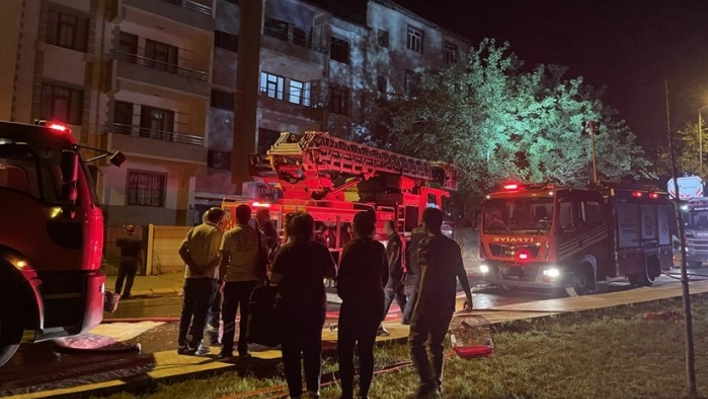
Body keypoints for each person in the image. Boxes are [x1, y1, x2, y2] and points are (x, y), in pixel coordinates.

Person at [408, 208, 474, 399]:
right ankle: (437, 384)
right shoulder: (452, 245)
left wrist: (419, 305)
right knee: (436, 345)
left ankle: (428, 382)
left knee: (415, 341)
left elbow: (425, 277)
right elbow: (461, 272)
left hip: (429, 302)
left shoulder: (426, 244)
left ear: (425, 223)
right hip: (447, 303)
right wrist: (469, 297)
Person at [270, 212, 337, 399]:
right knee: (312, 348)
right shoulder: (319, 250)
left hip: (289, 307)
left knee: (290, 350)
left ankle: (295, 392)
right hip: (315, 306)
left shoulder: (285, 251)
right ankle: (313, 389)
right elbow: (332, 272)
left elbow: (274, 278)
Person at [337, 211, 389, 399]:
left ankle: (347, 394)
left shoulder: (350, 248)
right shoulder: (379, 249)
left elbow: (342, 278)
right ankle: (364, 393)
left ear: (355, 228)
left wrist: (347, 296)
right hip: (374, 302)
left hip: (354, 303)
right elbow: (385, 276)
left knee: (346, 350)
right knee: (367, 350)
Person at [217, 204, 267, 359]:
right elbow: (264, 258)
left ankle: (227, 348)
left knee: (229, 315)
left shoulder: (229, 235)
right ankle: (243, 347)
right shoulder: (258, 235)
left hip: (233, 280)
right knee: (246, 316)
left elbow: (224, 260)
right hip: (250, 281)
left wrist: (220, 280)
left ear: (236, 216)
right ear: (250, 215)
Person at [177, 207, 225, 355]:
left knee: (187, 311)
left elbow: (182, 250)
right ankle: (195, 344)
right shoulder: (218, 233)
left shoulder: (195, 230)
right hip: (208, 278)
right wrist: (205, 269)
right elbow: (220, 258)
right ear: (220, 219)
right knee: (202, 312)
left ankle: (181, 344)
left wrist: (193, 266)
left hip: (190, 277)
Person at [378, 220, 406, 336]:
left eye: (384, 227)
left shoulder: (394, 240)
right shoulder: (399, 238)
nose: (383, 229)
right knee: (401, 297)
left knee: (386, 298)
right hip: (401, 272)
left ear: (388, 227)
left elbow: (393, 257)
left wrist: (387, 270)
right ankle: (408, 317)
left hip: (394, 273)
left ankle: (378, 324)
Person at [402, 223, 427, 325]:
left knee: (418, 289)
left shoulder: (415, 231)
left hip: (413, 261)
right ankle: (407, 317)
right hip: (420, 263)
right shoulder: (426, 233)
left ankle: (409, 316)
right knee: (417, 290)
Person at [115, 225, 144, 299]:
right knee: (130, 278)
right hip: (133, 260)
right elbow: (140, 252)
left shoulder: (121, 238)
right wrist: (141, 262)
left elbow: (117, 245)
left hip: (123, 259)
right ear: (134, 231)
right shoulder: (137, 240)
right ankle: (126, 294)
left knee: (120, 277)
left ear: (126, 230)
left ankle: (117, 292)